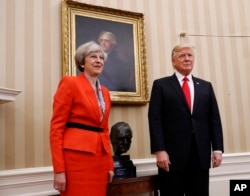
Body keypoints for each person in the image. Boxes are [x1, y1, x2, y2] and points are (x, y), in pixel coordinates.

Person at [148, 44, 224, 196]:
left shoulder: (205, 86)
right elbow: (154, 119)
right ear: (173, 61)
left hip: (200, 156)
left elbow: (214, 118)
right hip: (171, 157)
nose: (187, 58)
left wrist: (217, 149)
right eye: (182, 56)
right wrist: (159, 150)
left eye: (190, 55)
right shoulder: (161, 85)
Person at [49, 41, 114, 196]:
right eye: (93, 57)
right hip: (76, 159)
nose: (98, 60)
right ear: (82, 62)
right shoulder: (70, 83)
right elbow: (56, 129)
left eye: (101, 58)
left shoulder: (105, 92)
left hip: (100, 159)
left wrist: (109, 164)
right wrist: (59, 170)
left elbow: (104, 129)